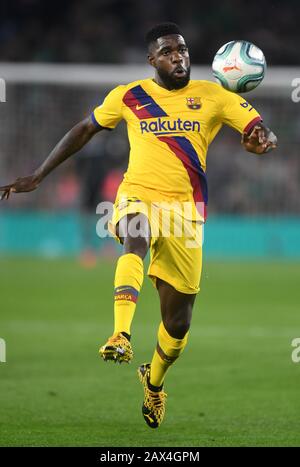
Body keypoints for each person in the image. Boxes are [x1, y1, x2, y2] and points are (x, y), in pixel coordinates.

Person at [0, 22, 277, 429]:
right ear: (152, 60)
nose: (178, 57)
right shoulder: (129, 96)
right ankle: (120, 335)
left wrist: (262, 140)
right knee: (135, 236)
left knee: (178, 323)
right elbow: (84, 129)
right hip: (139, 194)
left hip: (185, 213)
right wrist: (39, 175)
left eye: (182, 50)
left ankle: (154, 381)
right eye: (167, 52)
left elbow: (257, 129)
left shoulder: (215, 95)